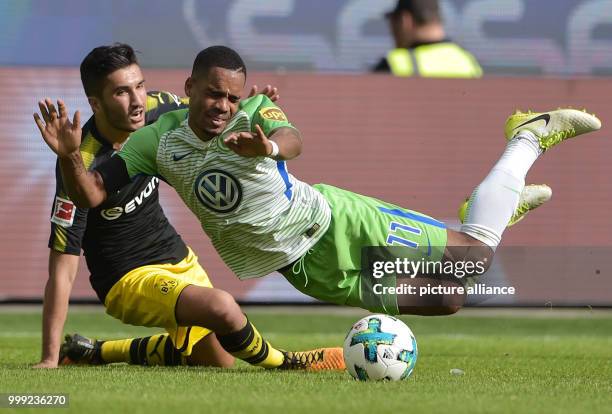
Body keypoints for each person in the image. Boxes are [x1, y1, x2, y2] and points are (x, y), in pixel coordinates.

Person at [40, 46, 601, 317]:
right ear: (188, 88)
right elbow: (91, 192)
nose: (223, 106)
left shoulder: (254, 109)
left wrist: (269, 145)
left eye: (232, 96)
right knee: (449, 300)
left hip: (331, 220)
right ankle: (493, 209)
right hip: (301, 267)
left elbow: (294, 142)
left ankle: (526, 136)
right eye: (213, 94)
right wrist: (70, 155)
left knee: (471, 262)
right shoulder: (153, 141)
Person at [33, 43, 343, 371]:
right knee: (223, 307)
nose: (138, 101)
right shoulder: (80, 162)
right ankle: (287, 362)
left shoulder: (160, 108)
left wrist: (247, 111)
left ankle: (97, 352)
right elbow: (63, 269)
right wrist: (48, 358)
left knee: (219, 361)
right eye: (122, 92)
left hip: (176, 257)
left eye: (139, 85)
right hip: (126, 279)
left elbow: (209, 114)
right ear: (96, 103)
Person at [373, 0, 482, 78]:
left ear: (404, 21)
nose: (392, 32)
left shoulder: (394, 63)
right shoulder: (468, 61)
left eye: (393, 23)